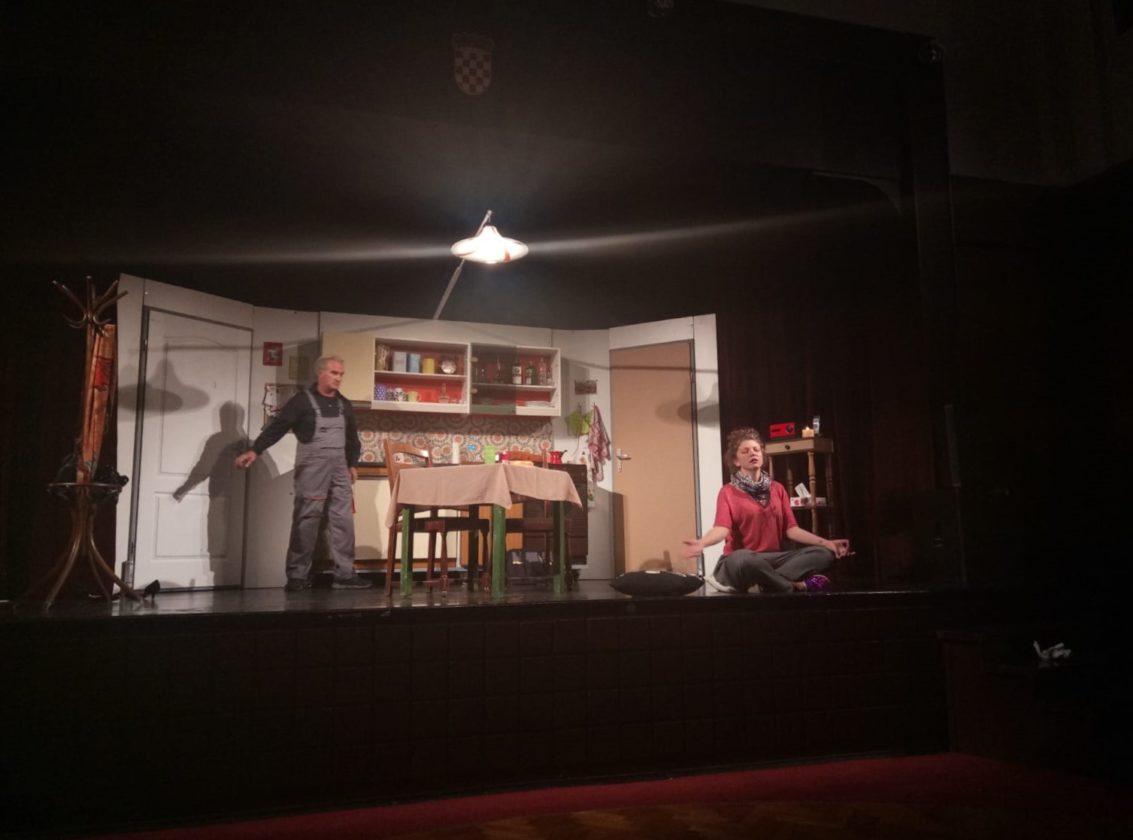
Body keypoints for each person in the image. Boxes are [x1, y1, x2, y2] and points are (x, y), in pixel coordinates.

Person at [235, 355, 372, 591]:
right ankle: (297, 576)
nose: (338, 378)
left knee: (343, 520)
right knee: (306, 520)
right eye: (334, 373)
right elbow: (277, 427)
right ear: (320, 373)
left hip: (340, 469)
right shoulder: (302, 402)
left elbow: (352, 439)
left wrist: (352, 464)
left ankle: (345, 574)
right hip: (312, 468)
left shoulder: (344, 405)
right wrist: (255, 451)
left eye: (341, 374)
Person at [683, 427, 850, 593]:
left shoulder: (777, 488)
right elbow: (721, 528)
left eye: (756, 450)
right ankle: (792, 586)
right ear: (736, 461)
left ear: (762, 455)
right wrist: (702, 543)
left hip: (774, 560)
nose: (752, 453)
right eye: (745, 451)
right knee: (743, 558)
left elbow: (791, 530)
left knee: (824, 554)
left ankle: (767, 583)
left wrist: (827, 543)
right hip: (743, 561)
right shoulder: (727, 491)